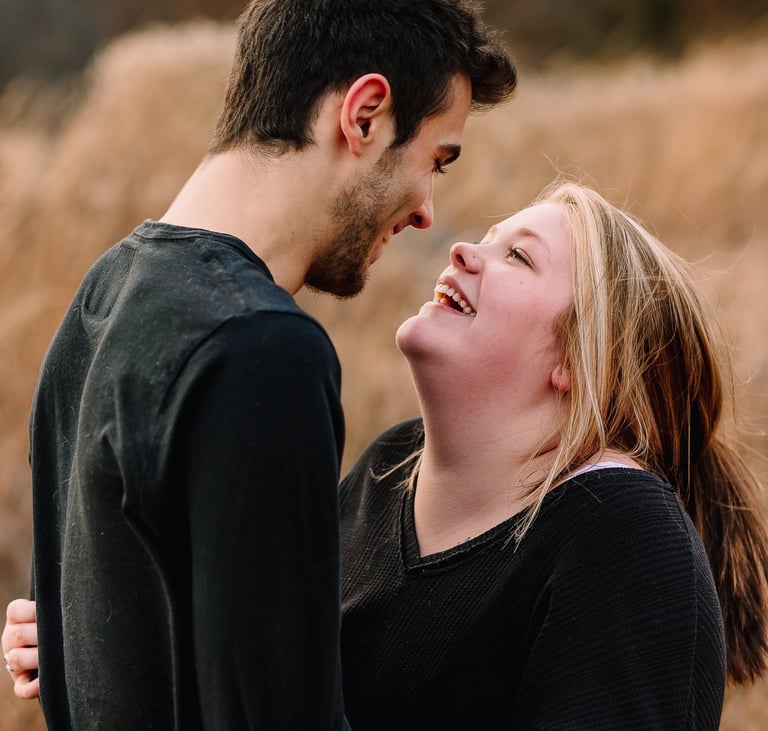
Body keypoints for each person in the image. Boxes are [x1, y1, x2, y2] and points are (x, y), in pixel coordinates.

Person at [8, 181, 768, 728]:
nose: (465, 248)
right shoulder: (380, 472)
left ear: (580, 359)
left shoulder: (625, 544)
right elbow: (268, 684)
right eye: (491, 237)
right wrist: (109, 622)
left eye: (520, 259)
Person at [4, 0, 516, 728]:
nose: (428, 211)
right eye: (435, 159)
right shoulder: (260, 351)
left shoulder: (99, 301)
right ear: (365, 114)